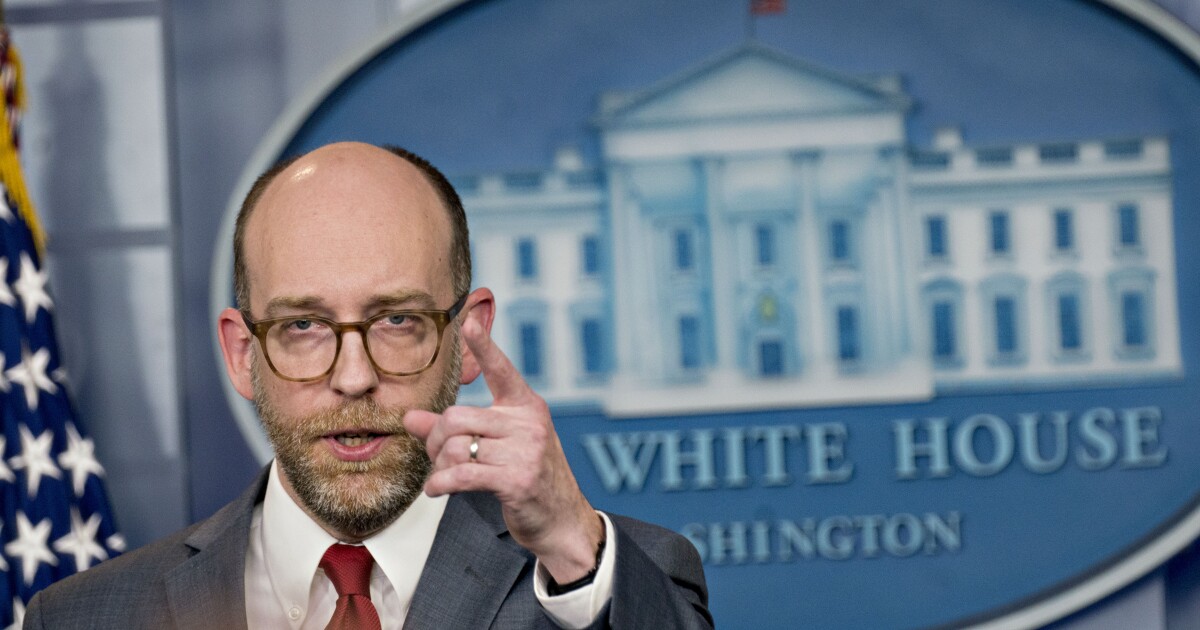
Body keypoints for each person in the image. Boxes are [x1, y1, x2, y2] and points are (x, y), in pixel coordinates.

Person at [23, 142, 711, 629]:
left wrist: (573, 550)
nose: (354, 378)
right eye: (303, 326)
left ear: (468, 338)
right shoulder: (85, 618)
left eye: (398, 321)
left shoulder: (609, 578)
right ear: (241, 353)